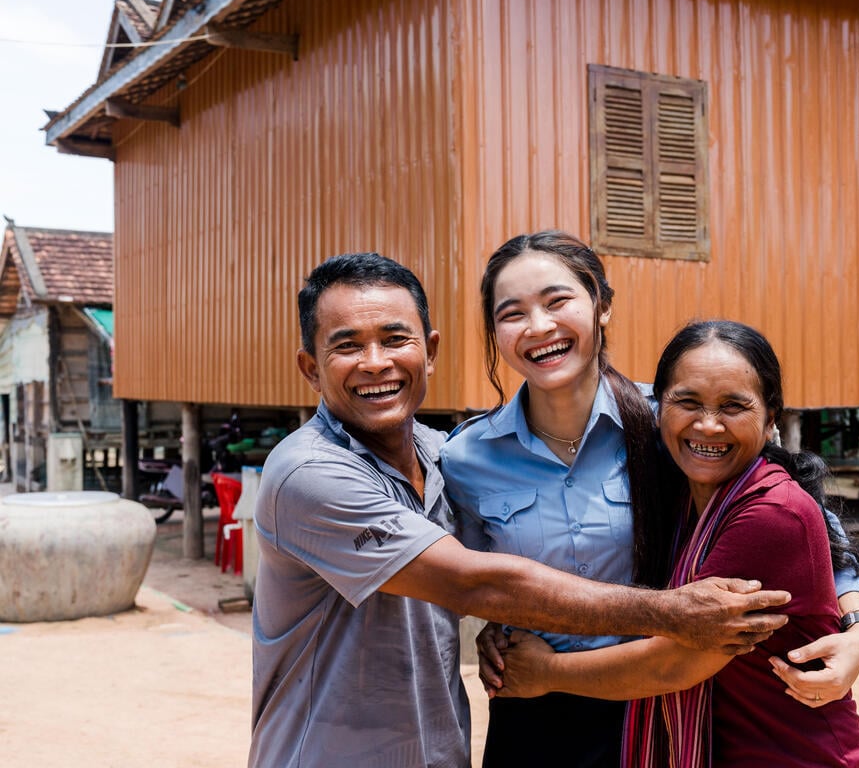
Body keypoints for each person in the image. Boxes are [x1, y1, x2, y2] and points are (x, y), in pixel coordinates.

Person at [248, 254, 795, 768]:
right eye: (347, 346)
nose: (376, 362)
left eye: (396, 339)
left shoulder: (443, 455)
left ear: (430, 351)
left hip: (572, 728)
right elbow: (475, 585)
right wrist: (672, 613)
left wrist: (857, 614)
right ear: (311, 368)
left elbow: (783, 498)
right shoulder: (313, 473)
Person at [440, 233, 859, 767]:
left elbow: (811, 529)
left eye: (558, 302)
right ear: (495, 332)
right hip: (533, 703)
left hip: (655, 703)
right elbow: (476, 579)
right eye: (512, 314)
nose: (539, 327)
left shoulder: (675, 420)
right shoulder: (467, 457)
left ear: (602, 306)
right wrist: (498, 622)